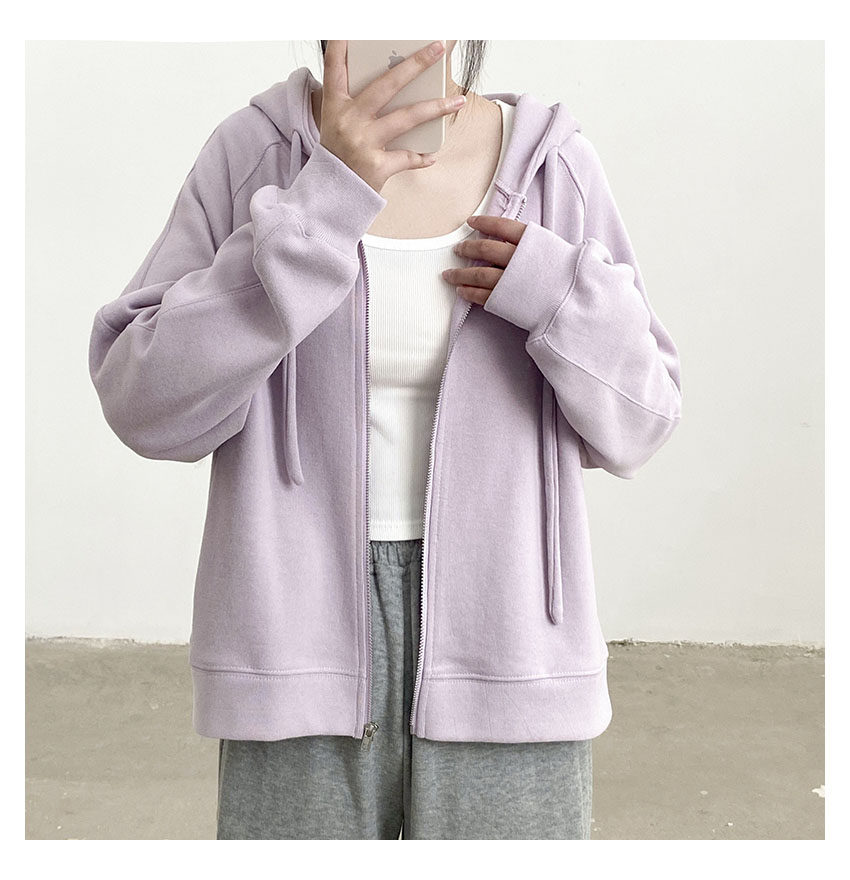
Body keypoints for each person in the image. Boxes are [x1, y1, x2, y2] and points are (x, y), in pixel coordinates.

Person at [87, 39, 683, 839]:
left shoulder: (552, 168)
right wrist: (320, 207)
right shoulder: (256, 155)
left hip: (509, 640)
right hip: (290, 636)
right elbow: (144, 404)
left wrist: (557, 295)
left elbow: (643, 421)